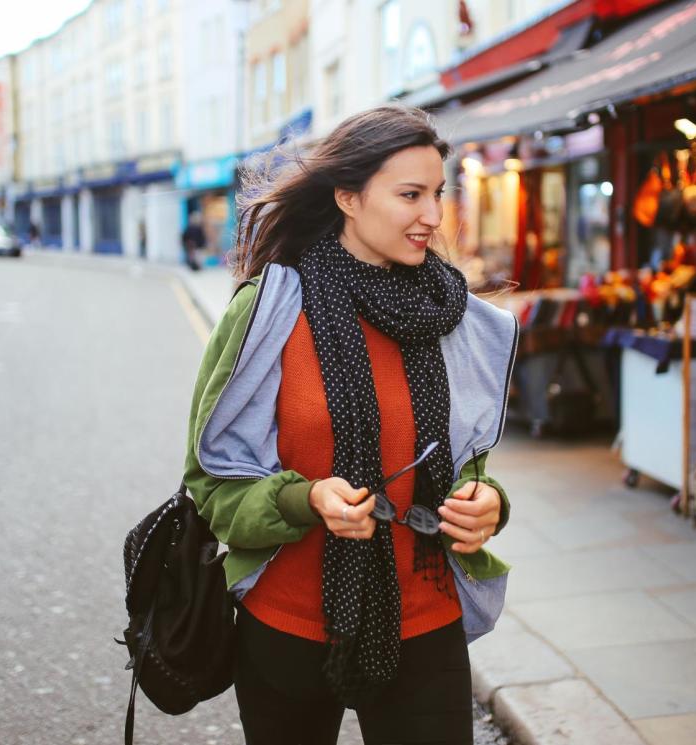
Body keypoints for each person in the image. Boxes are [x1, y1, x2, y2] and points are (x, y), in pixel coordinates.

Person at [183, 105, 517, 745]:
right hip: (289, 628)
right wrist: (303, 498)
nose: (433, 216)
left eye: (438, 193)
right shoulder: (269, 312)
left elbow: (470, 465)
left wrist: (490, 504)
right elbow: (212, 487)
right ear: (348, 197)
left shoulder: (451, 314)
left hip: (426, 624)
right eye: (410, 195)